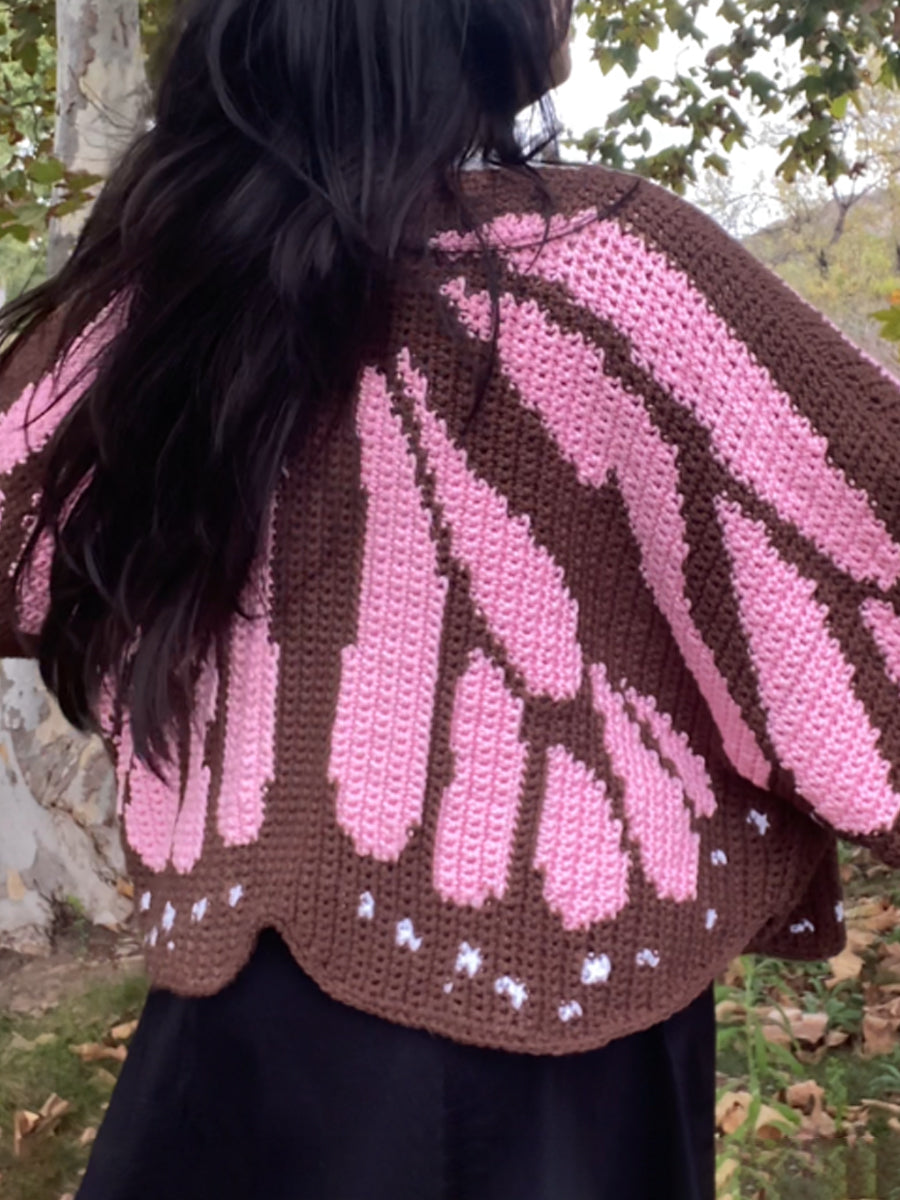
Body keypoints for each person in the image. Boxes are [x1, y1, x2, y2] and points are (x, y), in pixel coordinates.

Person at [2, 0, 900, 1196]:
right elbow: (856, 540)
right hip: (548, 1058)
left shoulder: (161, 298)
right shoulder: (602, 272)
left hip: (221, 1035)